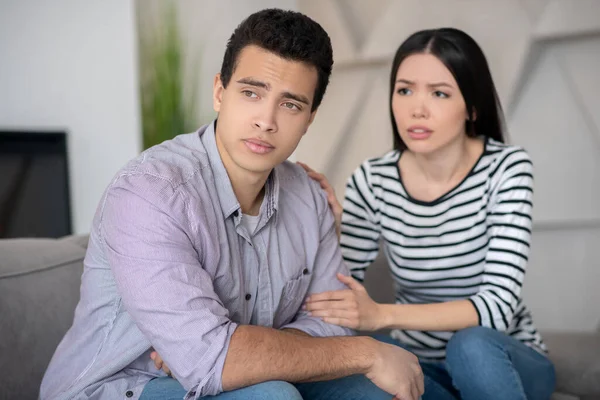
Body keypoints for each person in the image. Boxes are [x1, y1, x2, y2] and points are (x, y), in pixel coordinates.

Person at [39, 8, 424, 400]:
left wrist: (242, 353)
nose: (266, 120)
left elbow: (333, 322)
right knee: (273, 395)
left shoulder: (308, 196)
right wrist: (366, 351)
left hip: (237, 377)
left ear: (309, 118)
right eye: (251, 93)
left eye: (290, 104)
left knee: (371, 392)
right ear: (220, 92)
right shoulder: (149, 193)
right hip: (124, 386)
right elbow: (214, 362)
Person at [300, 27, 556, 400]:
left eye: (439, 93)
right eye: (404, 90)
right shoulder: (373, 180)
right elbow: (339, 287)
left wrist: (383, 316)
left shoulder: (507, 168)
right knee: (357, 363)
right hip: (423, 364)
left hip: (506, 359)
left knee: (470, 346)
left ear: (472, 107)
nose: (417, 108)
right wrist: (328, 230)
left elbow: (496, 308)